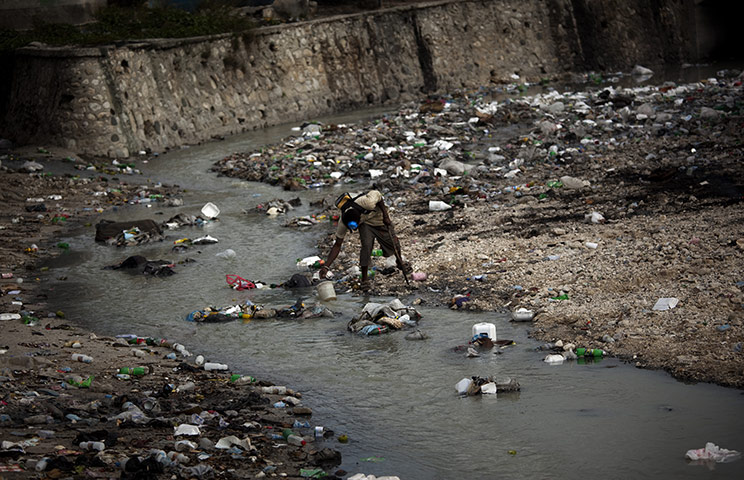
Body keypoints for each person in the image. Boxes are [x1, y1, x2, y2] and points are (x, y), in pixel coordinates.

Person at [319, 190, 410, 291]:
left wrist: (386, 216)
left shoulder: (367, 203)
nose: (354, 229)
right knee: (366, 246)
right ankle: (364, 280)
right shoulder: (344, 221)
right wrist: (326, 267)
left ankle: (399, 261)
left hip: (379, 219)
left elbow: (378, 196)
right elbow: (337, 245)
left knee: (394, 243)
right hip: (366, 224)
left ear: (359, 217)